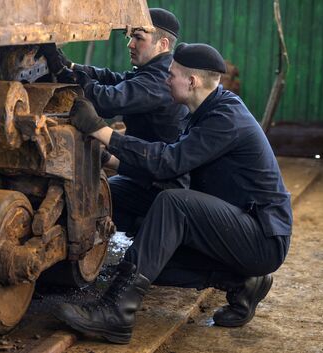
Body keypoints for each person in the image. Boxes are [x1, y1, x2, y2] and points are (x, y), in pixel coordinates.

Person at [55, 43, 292, 344]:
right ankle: (241, 280)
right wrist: (105, 158)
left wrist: (101, 131)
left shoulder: (226, 118)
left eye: (172, 75)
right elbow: (171, 169)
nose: (166, 79)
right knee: (126, 210)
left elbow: (169, 161)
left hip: (261, 237)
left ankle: (117, 313)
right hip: (233, 224)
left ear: (191, 82)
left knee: (172, 204)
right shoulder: (202, 110)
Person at [38, 8, 189, 236]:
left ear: (163, 44)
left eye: (138, 38)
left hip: (161, 187)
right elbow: (115, 79)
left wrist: (65, 75)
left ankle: (145, 228)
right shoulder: (156, 70)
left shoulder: (159, 81)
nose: (130, 44)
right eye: (131, 37)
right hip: (148, 174)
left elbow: (108, 100)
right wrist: (72, 67)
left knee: (88, 197)